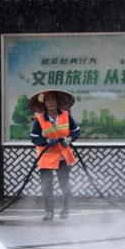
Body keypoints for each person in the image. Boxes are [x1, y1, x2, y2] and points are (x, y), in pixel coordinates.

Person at [28, 89, 80, 222]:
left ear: (57, 101)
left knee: (65, 185)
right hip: (46, 157)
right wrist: (45, 141)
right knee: (47, 187)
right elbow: (34, 138)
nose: (50, 102)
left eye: (53, 99)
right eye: (47, 100)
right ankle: (49, 212)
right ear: (44, 103)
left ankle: (65, 210)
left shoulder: (66, 116)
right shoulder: (39, 120)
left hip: (63, 155)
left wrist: (69, 139)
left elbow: (76, 131)